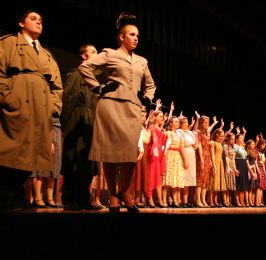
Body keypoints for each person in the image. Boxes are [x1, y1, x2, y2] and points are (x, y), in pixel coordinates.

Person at [79, 12, 156, 213]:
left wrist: (146, 99)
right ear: (121, 37)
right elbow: (85, 67)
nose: (135, 38)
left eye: (137, 35)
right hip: (110, 107)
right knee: (111, 154)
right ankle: (113, 194)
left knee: (130, 155)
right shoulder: (109, 54)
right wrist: (98, 88)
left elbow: (151, 85)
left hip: (132, 108)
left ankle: (125, 192)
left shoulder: (142, 61)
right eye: (131, 34)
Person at [0, 10, 63, 211]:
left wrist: (52, 107)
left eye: (41, 21)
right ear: (21, 23)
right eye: (33, 19)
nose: (38, 23)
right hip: (18, 104)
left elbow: (57, 86)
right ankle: (5, 194)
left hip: (40, 110)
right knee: (11, 150)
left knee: (31, 153)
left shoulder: (46, 54)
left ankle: (16, 195)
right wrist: (8, 98)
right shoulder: (8, 43)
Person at [60, 43, 104, 211]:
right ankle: (70, 198)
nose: (96, 53)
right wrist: (66, 123)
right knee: (75, 160)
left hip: (91, 121)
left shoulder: (95, 77)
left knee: (87, 162)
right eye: (93, 51)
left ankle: (83, 198)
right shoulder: (77, 74)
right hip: (77, 120)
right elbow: (68, 97)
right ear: (84, 56)